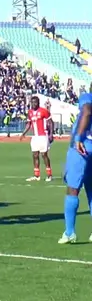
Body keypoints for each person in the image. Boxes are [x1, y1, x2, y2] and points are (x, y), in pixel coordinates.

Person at [59, 91, 92, 244]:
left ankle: (69, 232)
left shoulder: (87, 97)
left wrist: (78, 138)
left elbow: (87, 110)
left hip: (81, 149)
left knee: (72, 189)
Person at [19, 96, 54, 182]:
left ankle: (49, 175)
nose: (33, 104)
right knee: (35, 155)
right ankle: (36, 176)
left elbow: (51, 122)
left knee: (44, 155)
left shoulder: (44, 111)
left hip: (43, 136)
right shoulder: (30, 112)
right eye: (32, 102)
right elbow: (29, 124)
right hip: (35, 137)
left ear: (38, 103)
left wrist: (51, 134)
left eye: (35, 102)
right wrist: (23, 133)